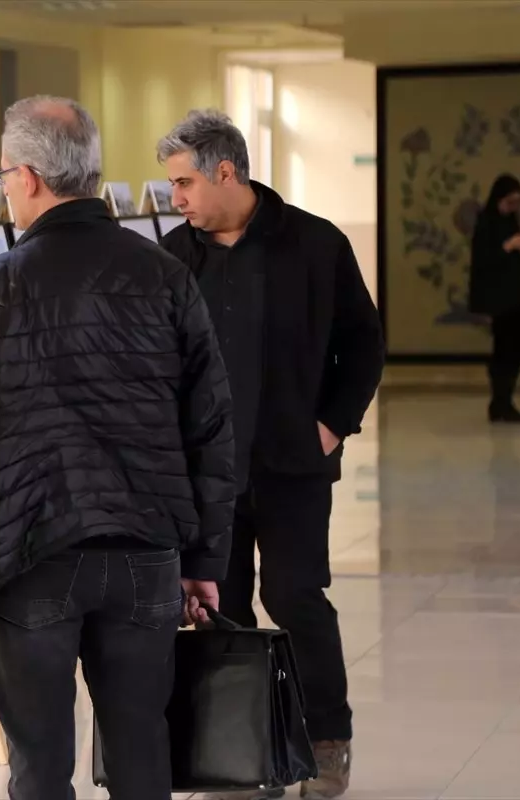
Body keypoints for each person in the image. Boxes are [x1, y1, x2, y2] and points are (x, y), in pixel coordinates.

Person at [0, 95, 237, 800]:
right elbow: (211, 429)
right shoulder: (166, 277)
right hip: (145, 554)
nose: (4, 190)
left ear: (28, 177)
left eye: (2, 176)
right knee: (141, 752)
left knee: (39, 764)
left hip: (25, 555)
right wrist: (205, 557)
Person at [155, 110, 385, 800]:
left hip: (290, 464)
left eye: (184, 182)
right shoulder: (173, 255)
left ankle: (326, 739)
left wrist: (332, 425)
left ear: (227, 172)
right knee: (219, 607)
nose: (177, 199)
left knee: (293, 595)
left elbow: (363, 342)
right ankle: (245, 755)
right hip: (207, 475)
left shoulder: (315, 244)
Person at [469, 174, 520, 423]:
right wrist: (508, 246)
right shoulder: (486, 223)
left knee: (516, 348)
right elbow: (484, 260)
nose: (512, 207)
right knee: (506, 350)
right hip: (499, 300)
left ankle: (502, 402)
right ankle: (502, 403)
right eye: (510, 202)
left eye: (517, 202)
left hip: (515, 297)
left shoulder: (510, 221)